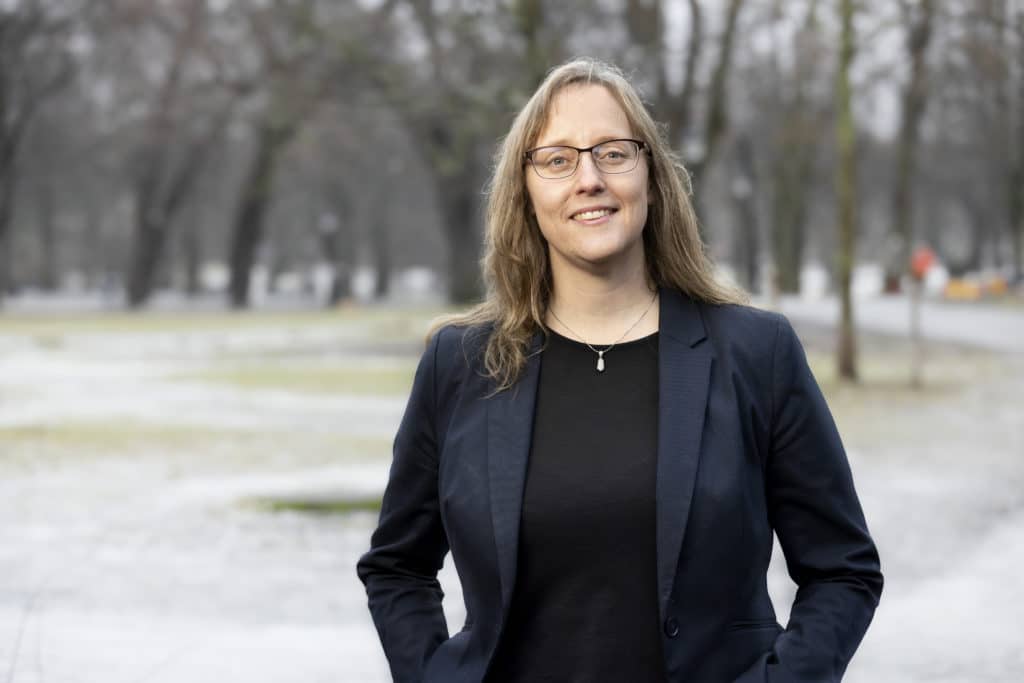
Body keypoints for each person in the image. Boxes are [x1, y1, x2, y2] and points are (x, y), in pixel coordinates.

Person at [357, 58, 882, 683]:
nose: (588, 179)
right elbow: (397, 566)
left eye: (613, 152)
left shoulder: (755, 354)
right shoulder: (461, 363)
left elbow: (842, 569)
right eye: (557, 159)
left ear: (652, 179)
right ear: (525, 191)